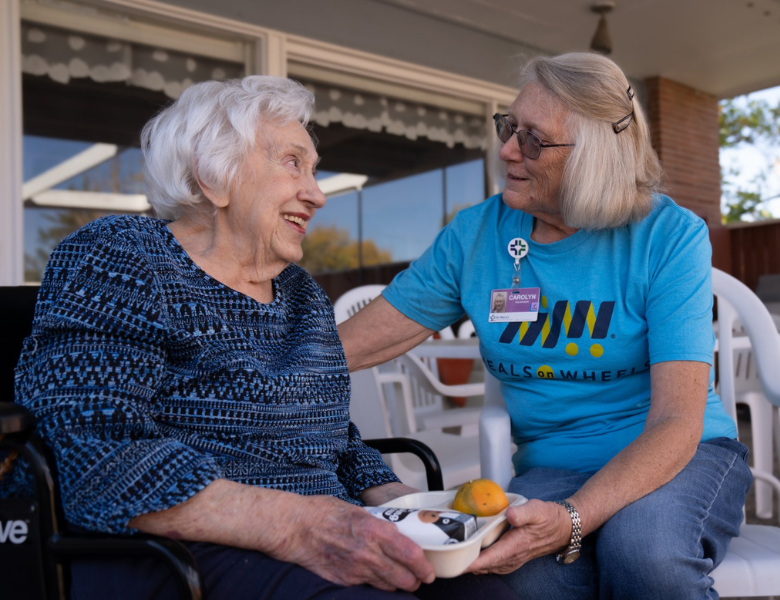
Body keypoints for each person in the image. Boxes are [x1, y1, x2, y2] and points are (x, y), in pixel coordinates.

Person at [7, 76, 517, 600]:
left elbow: (331, 438)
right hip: (178, 550)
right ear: (213, 176)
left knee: (491, 589)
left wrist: (414, 510)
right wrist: (296, 525)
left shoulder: (300, 293)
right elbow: (91, 454)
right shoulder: (121, 258)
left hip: (312, 532)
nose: (317, 194)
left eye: (314, 170)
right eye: (293, 163)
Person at [338, 53, 753, 600]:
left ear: (594, 159)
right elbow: (359, 341)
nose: (507, 149)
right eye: (509, 128)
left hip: (680, 455)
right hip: (554, 468)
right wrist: (240, 357)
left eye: (533, 139)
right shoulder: (477, 235)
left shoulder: (667, 235)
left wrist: (575, 518)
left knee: (644, 553)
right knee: (500, 584)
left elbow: (678, 421)